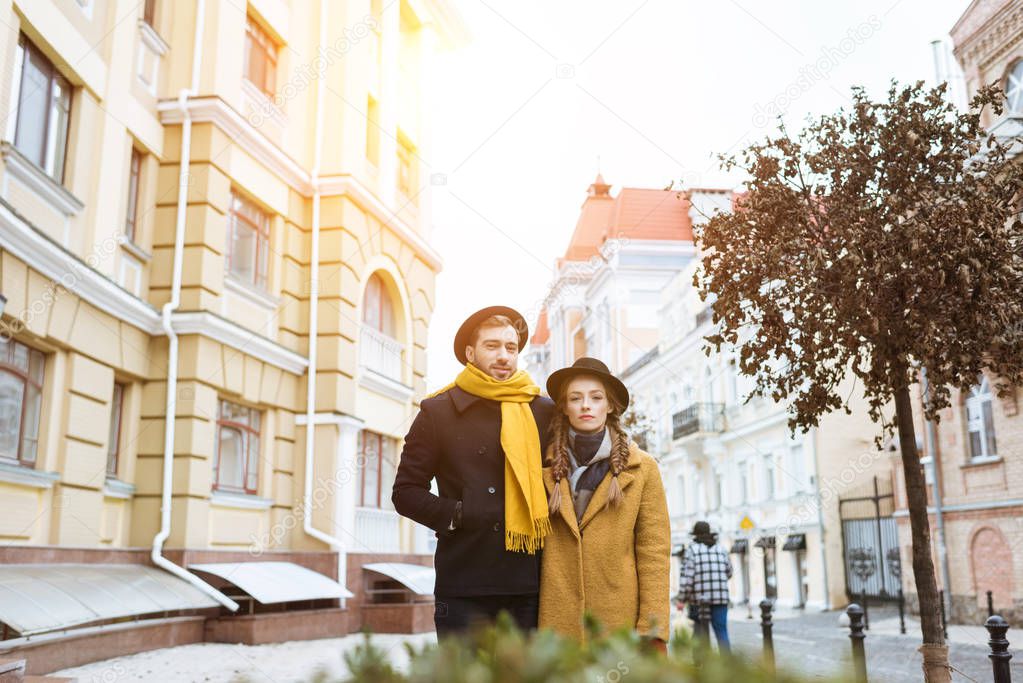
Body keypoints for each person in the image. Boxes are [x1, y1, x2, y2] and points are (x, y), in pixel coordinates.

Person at [392, 306, 554, 637]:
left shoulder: (542, 410)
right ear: (470, 352)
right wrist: (460, 514)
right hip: (464, 582)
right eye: (492, 346)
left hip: (529, 581)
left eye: (511, 348)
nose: (504, 356)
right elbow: (406, 492)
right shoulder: (438, 411)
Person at [536, 357, 670, 650]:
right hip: (555, 623)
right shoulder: (540, 467)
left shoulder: (643, 468)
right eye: (576, 398)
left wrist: (654, 629)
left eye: (596, 398)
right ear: (564, 407)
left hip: (618, 621)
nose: (586, 405)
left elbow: (654, 552)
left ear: (610, 406)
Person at [679, 520, 733, 652]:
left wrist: (682, 598)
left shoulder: (692, 550)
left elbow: (687, 578)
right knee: (721, 631)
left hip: (698, 601)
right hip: (720, 599)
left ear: (695, 535)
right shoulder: (721, 549)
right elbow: (729, 572)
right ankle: (727, 663)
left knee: (699, 632)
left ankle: (701, 662)